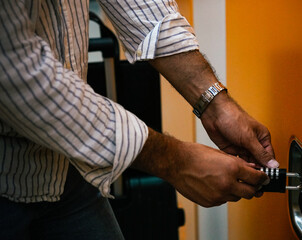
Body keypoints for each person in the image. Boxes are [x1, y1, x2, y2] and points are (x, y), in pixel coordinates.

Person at [0, 0, 279, 239]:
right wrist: (177, 162)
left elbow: (141, 5)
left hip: (65, 167)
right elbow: (13, 71)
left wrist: (216, 105)